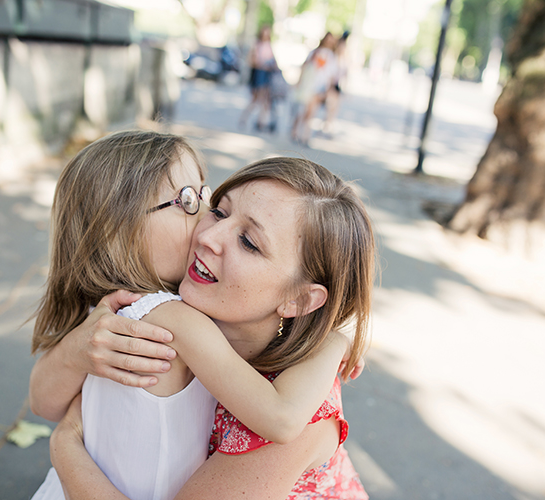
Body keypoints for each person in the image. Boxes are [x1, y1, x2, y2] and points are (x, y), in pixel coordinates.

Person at [28, 132, 371, 499]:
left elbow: (283, 419)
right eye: (217, 209)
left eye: (249, 242)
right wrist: (74, 351)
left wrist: (64, 448)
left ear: (300, 301)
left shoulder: (303, 407)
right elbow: (44, 400)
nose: (209, 231)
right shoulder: (160, 307)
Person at [291, 32, 339, 146]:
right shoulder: (315, 53)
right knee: (304, 111)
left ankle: (305, 135)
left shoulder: (332, 57)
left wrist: (329, 90)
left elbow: (332, 76)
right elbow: (305, 67)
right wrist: (299, 81)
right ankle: (296, 130)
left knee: (311, 111)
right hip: (309, 86)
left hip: (320, 87)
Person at [239, 26, 278, 132]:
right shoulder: (257, 45)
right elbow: (252, 61)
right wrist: (262, 64)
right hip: (259, 74)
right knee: (256, 99)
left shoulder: (269, 45)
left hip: (267, 74)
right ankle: (245, 118)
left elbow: (273, 60)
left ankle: (261, 122)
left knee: (265, 100)